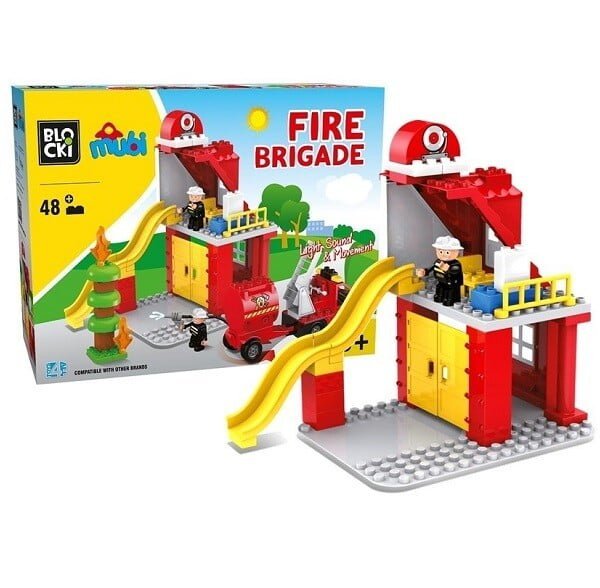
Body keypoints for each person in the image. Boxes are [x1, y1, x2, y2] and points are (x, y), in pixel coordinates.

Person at [416, 236, 464, 306]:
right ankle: (439, 297)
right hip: (441, 281)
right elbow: (433, 268)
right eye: (440, 251)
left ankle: (450, 300)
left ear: (457, 252)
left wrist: (448, 269)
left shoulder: (455, 264)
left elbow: (455, 270)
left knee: (451, 291)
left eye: (447, 252)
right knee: (439, 288)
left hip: (452, 283)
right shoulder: (438, 261)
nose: (443, 255)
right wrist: (425, 271)